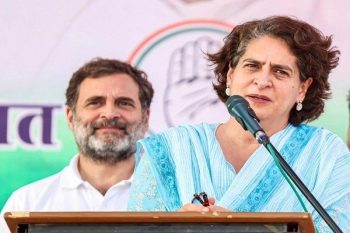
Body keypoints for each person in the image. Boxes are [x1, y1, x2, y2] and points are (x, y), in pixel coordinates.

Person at [127, 16, 350, 232]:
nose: (262, 81)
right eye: (252, 66)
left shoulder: (325, 154)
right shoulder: (172, 149)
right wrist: (177, 228)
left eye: (280, 72)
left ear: (302, 88)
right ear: (231, 76)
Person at [0, 58, 154, 232]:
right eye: (95, 102)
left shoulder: (177, 202)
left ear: (145, 118)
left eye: (124, 103)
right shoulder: (26, 203)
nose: (109, 113)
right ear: (70, 117)